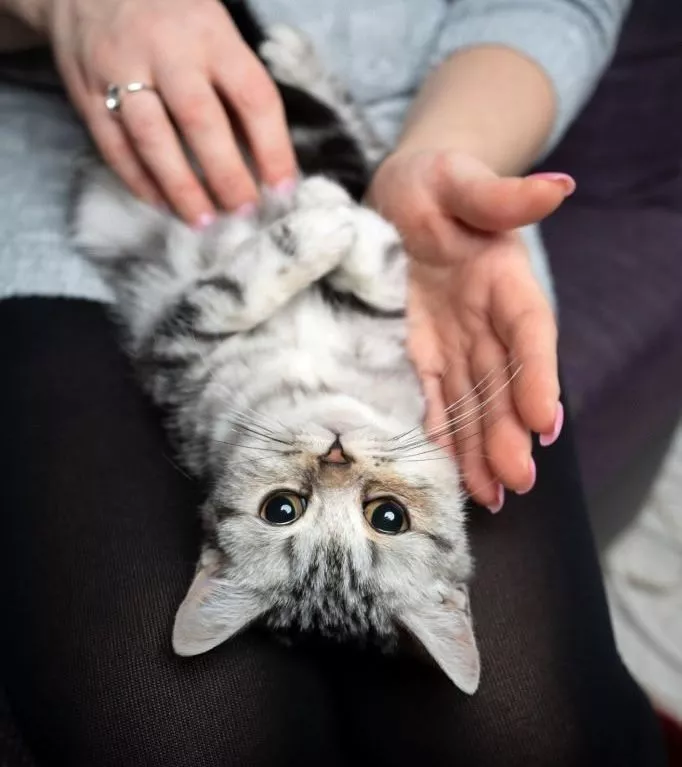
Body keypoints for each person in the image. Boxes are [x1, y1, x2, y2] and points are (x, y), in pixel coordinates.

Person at [0, 0, 666, 764]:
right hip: (57, 104)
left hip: (408, 139)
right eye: (386, 515)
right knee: (180, 732)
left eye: (285, 505)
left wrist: (442, 154)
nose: (340, 466)